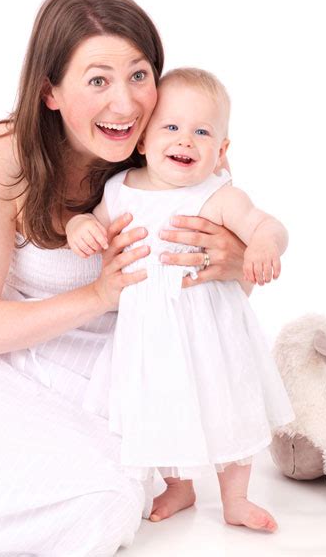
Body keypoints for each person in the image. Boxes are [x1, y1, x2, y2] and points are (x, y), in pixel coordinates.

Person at [0, 0, 249, 556]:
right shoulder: (8, 156)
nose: (125, 105)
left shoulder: (172, 147)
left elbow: (234, 284)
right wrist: (99, 294)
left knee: (98, 507)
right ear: (50, 91)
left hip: (117, 387)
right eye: (97, 79)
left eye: (139, 74)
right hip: (6, 368)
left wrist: (237, 261)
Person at [66, 67, 295, 533]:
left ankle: (236, 498)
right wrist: (80, 228)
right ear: (144, 141)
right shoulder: (119, 189)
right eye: (171, 127)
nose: (185, 140)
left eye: (202, 131)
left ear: (221, 151)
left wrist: (265, 245)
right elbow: (89, 219)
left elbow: (266, 224)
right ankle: (179, 487)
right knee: (159, 407)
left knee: (228, 407)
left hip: (213, 333)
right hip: (148, 336)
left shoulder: (217, 195)